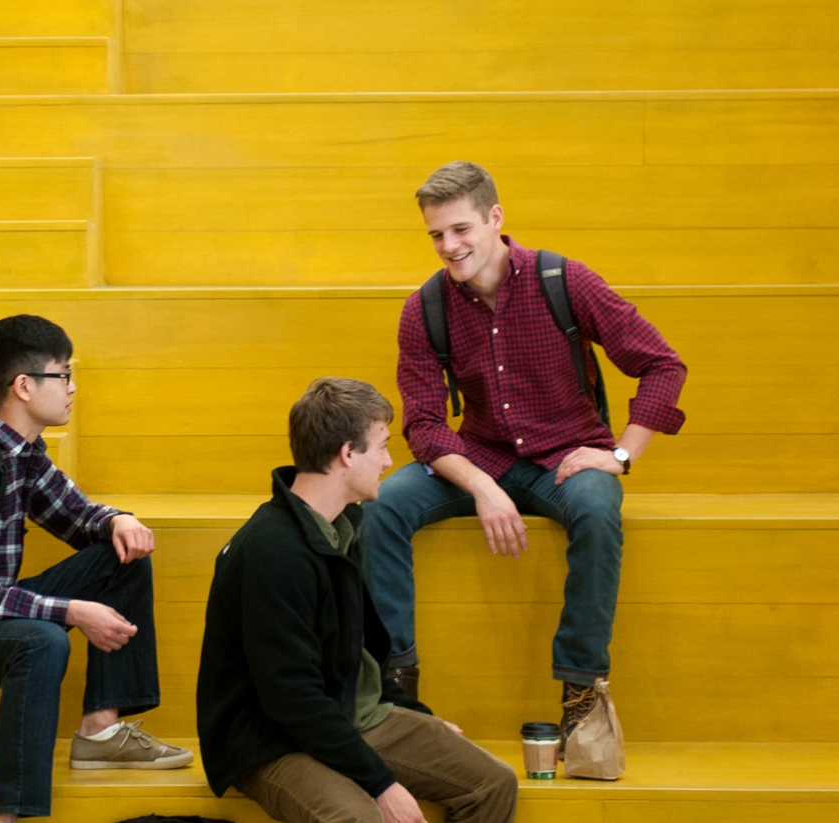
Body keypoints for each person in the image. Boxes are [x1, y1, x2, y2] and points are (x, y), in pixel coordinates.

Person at [361, 161, 687, 742]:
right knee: (383, 504)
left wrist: (620, 457)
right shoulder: (424, 308)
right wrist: (482, 487)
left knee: (596, 508)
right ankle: (395, 690)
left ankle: (582, 693)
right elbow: (428, 425)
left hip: (567, 458)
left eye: (460, 229)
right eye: (436, 235)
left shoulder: (564, 280)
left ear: (495, 218)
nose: (449, 246)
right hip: (478, 456)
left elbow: (662, 364)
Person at [0, 314, 192, 823]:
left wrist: (119, 519)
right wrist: (74, 611)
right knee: (43, 639)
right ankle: (10, 814)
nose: (73, 388)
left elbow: (79, 518)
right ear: (24, 386)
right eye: (64, 375)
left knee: (124, 554)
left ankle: (100, 732)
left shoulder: (21, 455)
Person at [197, 377, 518, 823]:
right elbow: (291, 698)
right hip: (271, 739)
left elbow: (358, 656)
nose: (389, 461)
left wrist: (416, 719)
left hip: (346, 714)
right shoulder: (274, 552)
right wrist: (382, 784)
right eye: (382, 446)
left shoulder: (346, 525)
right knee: (359, 819)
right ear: (348, 453)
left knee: (493, 782)